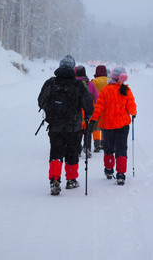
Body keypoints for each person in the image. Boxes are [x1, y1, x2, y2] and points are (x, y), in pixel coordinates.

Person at [38, 55, 94, 195]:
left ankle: (55, 180)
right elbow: (88, 104)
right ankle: (71, 180)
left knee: (56, 153)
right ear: (73, 67)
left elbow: (41, 101)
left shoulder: (50, 83)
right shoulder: (78, 84)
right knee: (71, 153)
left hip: (55, 126)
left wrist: (50, 111)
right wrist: (87, 116)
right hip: (73, 126)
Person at [88, 67, 137, 185]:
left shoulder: (105, 90)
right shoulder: (126, 90)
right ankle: (120, 174)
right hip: (123, 126)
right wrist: (134, 113)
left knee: (108, 149)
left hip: (107, 126)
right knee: (121, 149)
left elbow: (98, 107)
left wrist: (93, 120)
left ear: (112, 77)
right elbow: (132, 109)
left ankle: (109, 170)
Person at [75, 65, 98, 158]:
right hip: (88, 110)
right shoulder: (90, 84)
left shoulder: (74, 83)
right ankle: (87, 147)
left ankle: (77, 150)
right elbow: (96, 97)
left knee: (77, 131)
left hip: (77, 111)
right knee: (87, 131)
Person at [91, 65, 109, 152]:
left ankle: (96, 143)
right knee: (105, 124)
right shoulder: (109, 81)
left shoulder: (94, 81)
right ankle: (103, 143)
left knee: (96, 125)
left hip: (96, 106)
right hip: (107, 106)